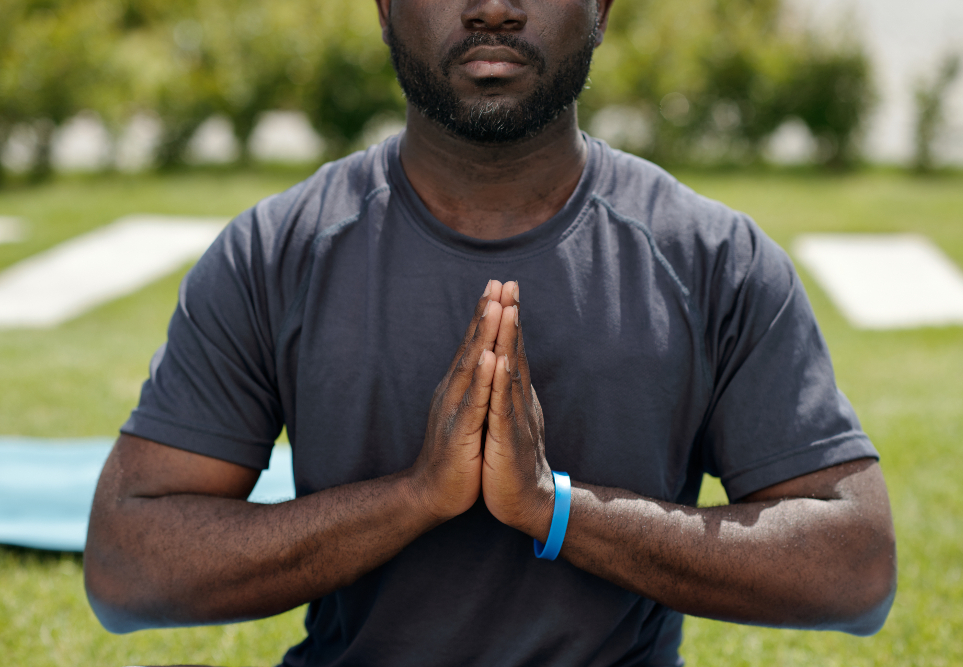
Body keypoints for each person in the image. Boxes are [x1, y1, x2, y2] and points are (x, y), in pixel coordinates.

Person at [84, 1, 897, 665]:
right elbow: (126, 566)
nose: (494, 10)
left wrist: (555, 509)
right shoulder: (277, 252)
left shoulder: (712, 257)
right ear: (383, 8)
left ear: (602, 8)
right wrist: (412, 499)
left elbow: (855, 566)